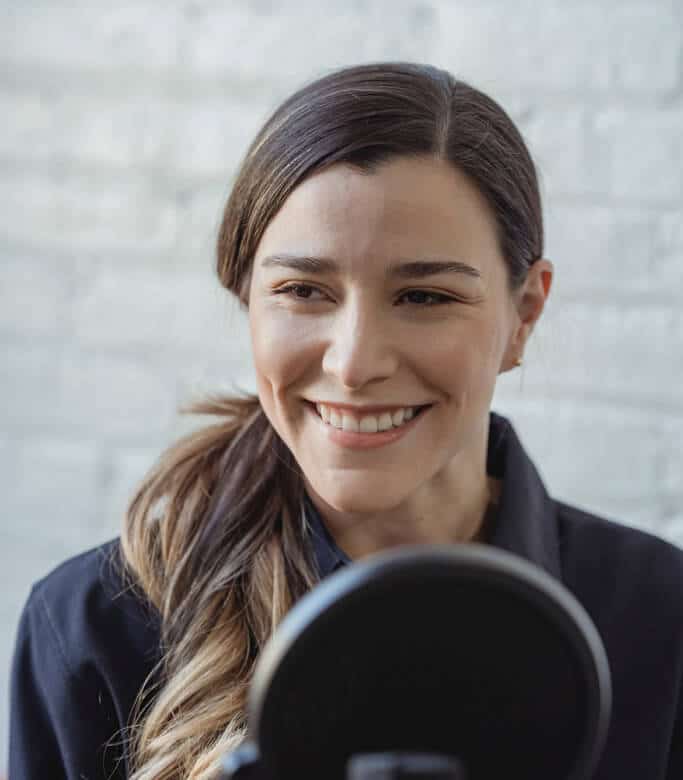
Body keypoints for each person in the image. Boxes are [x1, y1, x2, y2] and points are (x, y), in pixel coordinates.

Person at [9, 62, 683, 780]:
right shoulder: (93, 625)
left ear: (524, 313)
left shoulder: (659, 615)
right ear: (248, 301)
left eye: (424, 296)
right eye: (302, 290)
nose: (355, 363)